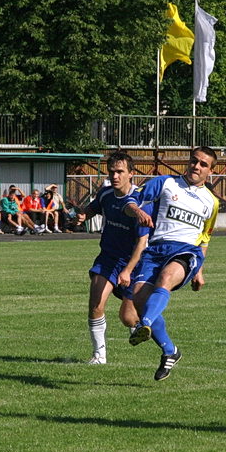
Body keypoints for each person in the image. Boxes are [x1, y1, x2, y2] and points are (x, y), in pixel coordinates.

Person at [124, 146, 220, 381]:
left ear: (211, 171)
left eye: (203, 164)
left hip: (187, 251)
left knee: (166, 278)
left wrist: (200, 271)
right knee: (138, 298)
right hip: (156, 249)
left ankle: (143, 325)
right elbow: (130, 201)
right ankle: (170, 350)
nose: (196, 166)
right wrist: (136, 210)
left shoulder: (212, 202)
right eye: (194, 161)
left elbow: (205, 238)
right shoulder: (165, 183)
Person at [75, 151, 151, 365]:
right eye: (111, 172)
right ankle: (99, 355)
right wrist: (82, 215)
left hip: (134, 262)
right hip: (108, 258)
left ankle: (138, 324)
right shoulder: (106, 194)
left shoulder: (140, 203)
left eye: (120, 172)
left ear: (131, 174)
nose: (115, 176)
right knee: (96, 303)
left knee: (127, 318)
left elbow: (141, 243)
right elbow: (92, 209)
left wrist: (127, 270)